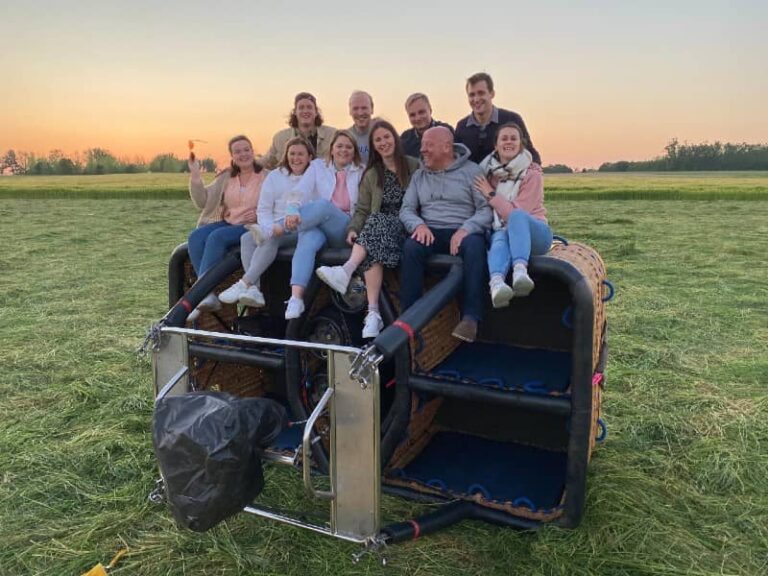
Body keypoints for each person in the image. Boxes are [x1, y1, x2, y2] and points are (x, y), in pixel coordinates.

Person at [315, 120, 419, 338]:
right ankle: (372, 313)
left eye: (387, 137)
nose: (383, 142)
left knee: (376, 224)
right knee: (373, 233)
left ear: (395, 139)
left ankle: (346, 271)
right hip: (379, 230)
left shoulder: (413, 166)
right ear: (373, 145)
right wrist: (353, 229)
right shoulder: (372, 174)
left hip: (408, 226)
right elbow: (362, 209)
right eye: (378, 140)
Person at [399, 126, 492, 343]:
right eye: (422, 146)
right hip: (430, 231)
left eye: (428, 146)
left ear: (447, 147)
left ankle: (471, 318)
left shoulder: (472, 172)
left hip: (462, 230)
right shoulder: (419, 176)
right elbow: (406, 209)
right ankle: (410, 317)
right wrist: (418, 226)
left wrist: (465, 229)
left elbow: (486, 209)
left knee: (475, 246)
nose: (423, 151)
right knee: (411, 247)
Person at [218, 137, 316, 308]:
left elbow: (316, 209)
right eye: (292, 154)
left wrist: (272, 230)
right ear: (286, 155)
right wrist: (268, 227)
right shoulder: (276, 176)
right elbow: (263, 209)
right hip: (275, 225)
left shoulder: (314, 176)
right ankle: (255, 290)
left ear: (309, 157)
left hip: (301, 228)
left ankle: (245, 283)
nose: (296, 158)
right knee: (247, 239)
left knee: (270, 238)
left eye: (301, 154)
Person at [283, 130, 364, 319]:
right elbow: (300, 190)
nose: (344, 150)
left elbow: (363, 208)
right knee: (307, 239)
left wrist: (292, 215)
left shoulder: (361, 171)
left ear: (354, 151)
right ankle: (296, 298)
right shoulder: (318, 166)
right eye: (339, 146)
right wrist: (292, 209)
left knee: (322, 206)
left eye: (348, 147)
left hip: (345, 229)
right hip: (318, 226)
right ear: (332, 149)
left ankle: (277, 229)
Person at [186, 135, 268, 321]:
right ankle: (208, 294)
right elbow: (202, 202)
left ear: (252, 151)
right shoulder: (226, 177)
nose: (243, 154)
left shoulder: (265, 175)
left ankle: (201, 292)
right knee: (196, 237)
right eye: (238, 151)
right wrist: (196, 175)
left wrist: (258, 214)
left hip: (253, 225)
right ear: (232, 155)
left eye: (246, 149)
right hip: (230, 221)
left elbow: (275, 203)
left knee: (217, 237)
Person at [473, 123, 552, 307]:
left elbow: (514, 213)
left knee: (516, 216)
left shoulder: (532, 174)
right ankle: (497, 284)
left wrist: (491, 195)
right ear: (496, 145)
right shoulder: (489, 174)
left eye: (513, 138)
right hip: (504, 231)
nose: (509, 142)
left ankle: (519, 271)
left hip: (535, 236)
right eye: (504, 138)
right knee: (499, 237)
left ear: (521, 144)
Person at [455, 72, 541, 165]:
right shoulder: (462, 127)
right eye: (472, 95)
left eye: (481, 93)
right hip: (474, 179)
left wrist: (534, 172)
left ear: (492, 94)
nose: (476, 99)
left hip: (507, 177)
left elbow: (529, 151)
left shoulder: (512, 119)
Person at [257, 92, 336, 169]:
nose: (305, 111)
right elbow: (267, 162)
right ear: (295, 112)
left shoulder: (332, 135)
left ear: (316, 112)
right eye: (301, 107)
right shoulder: (280, 138)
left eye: (309, 107)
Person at [399, 93, 453, 158]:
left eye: (421, 112)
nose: (418, 118)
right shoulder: (405, 139)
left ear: (430, 110)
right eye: (412, 115)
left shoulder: (446, 131)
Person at [347, 90, 374, 163]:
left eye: (364, 108)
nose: (360, 113)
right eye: (355, 108)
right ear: (350, 111)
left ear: (372, 109)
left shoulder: (384, 135)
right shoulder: (345, 137)